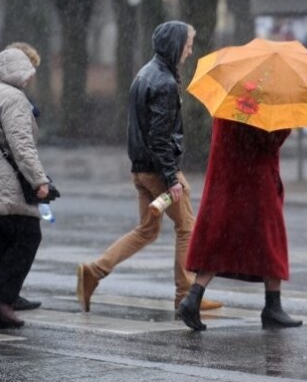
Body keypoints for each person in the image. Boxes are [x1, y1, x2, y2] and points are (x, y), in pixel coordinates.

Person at [76, 21, 222, 314]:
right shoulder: (165, 82)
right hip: (159, 170)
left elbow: (142, 130)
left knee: (146, 230)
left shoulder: (145, 73)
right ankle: (185, 295)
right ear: (176, 44)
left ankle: (94, 270)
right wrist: (172, 178)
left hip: (141, 168)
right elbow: (159, 136)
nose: (190, 50)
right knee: (187, 229)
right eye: (188, 44)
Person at [178, 119, 302, 331]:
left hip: (227, 174)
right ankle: (273, 306)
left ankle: (193, 296)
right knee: (270, 240)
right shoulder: (259, 101)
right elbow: (269, 139)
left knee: (219, 238)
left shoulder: (231, 99)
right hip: (256, 178)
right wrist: (285, 124)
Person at [0, 48, 51, 328]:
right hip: (6, 184)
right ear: (15, 72)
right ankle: (3, 300)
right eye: (27, 75)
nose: (28, 81)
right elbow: (22, 146)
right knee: (28, 237)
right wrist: (39, 181)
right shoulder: (13, 98)